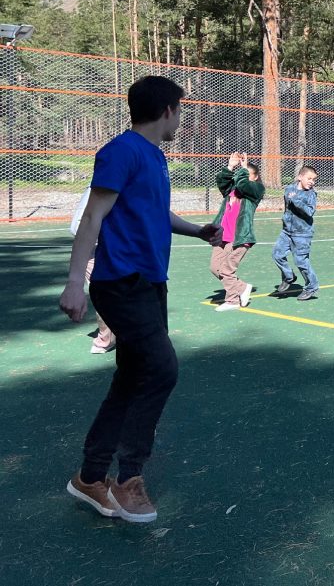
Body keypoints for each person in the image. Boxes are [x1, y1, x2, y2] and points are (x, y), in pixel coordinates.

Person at [60, 76, 221, 523]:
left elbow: (154, 211)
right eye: (180, 111)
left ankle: (90, 477)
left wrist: (197, 230)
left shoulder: (154, 156)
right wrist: (74, 282)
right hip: (120, 283)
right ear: (167, 110)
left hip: (150, 284)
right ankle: (128, 477)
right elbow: (92, 216)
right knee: (162, 368)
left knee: (131, 379)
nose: (181, 119)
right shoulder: (120, 151)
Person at [210, 152, 266, 312]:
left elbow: (243, 184)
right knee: (215, 268)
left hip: (239, 238)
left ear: (255, 177)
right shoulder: (232, 189)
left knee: (227, 270)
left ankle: (232, 300)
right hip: (222, 236)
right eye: (242, 173)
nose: (243, 176)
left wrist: (243, 170)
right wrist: (230, 166)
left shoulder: (256, 190)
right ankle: (242, 288)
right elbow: (222, 181)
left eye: (248, 174)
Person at [71, 186, 114, 354]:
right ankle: (106, 339)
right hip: (96, 248)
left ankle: (111, 336)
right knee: (104, 295)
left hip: (112, 249)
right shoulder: (100, 188)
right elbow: (80, 225)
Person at [273, 165, 320, 301]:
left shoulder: (311, 194)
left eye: (314, 179)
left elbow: (310, 211)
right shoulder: (289, 189)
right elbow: (287, 206)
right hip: (287, 231)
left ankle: (311, 286)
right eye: (309, 178)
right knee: (277, 254)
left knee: (301, 261)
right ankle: (289, 276)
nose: (311, 182)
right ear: (300, 177)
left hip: (302, 233)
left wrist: (297, 200)